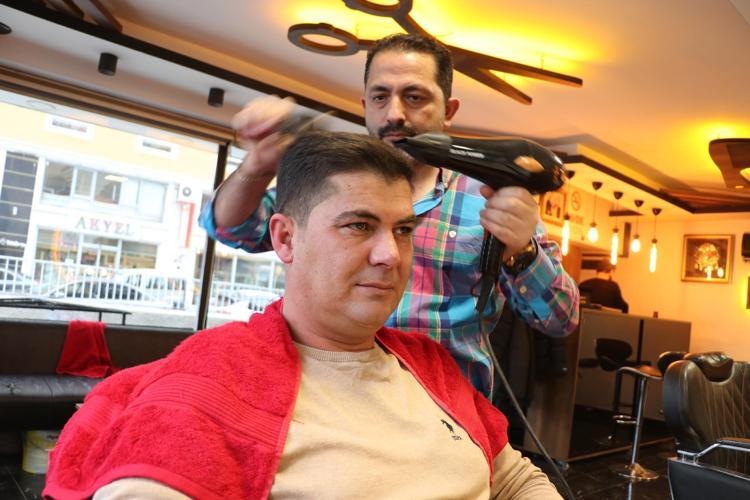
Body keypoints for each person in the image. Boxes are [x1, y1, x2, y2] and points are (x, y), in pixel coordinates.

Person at [43, 132, 562, 499]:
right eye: (359, 226)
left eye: (403, 230)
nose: (391, 255)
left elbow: (515, 479)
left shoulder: (430, 367)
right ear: (286, 239)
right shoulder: (217, 374)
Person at [199, 33, 579, 398]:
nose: (394, 114)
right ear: (365, 105)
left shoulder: (490, 200)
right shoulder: (332, 181)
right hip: (325, 402)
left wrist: (522, 251)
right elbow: (233, 228)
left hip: (444, 413)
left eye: (414, 97)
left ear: (448, 110)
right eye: (380, 97)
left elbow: (560, 318)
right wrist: (258, 166)